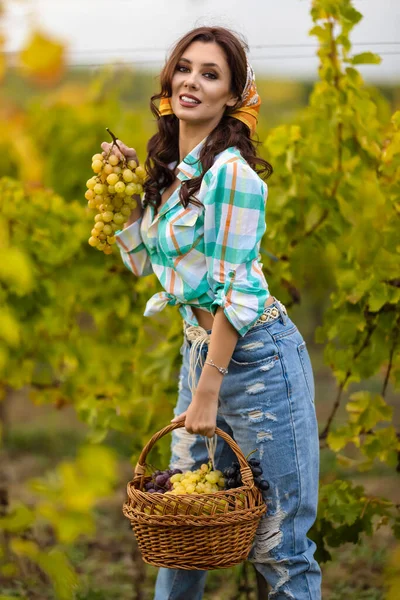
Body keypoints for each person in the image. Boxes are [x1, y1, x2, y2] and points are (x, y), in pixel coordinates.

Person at [102, 25, 321, 600]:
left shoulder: (231, 174)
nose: (191, 82)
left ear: (232, 96)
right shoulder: (180, 173)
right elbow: (154, 261)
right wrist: (136, 188)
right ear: (169, 78)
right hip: (201, 353)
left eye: (210, 74)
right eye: (185, 68)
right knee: (182, 522)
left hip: (254, 360)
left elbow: (240, 290)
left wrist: (208, 389)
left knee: (283, 548)